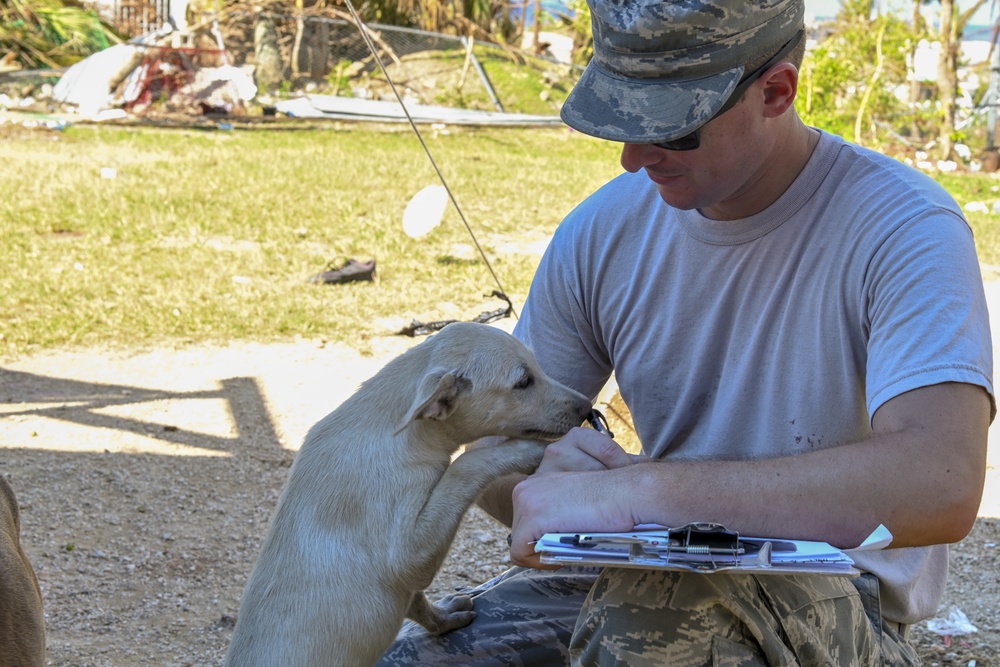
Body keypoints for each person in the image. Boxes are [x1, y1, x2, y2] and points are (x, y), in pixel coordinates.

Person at [378, 0, 995, 664]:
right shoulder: (604, 231)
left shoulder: (905, 228)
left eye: (671, 129)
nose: (632, 156)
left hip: (837, 605)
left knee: (647, 631)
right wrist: (544, 473)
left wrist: (645, 491)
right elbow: (500, 449)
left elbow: (942, 477)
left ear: (776, 91)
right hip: (632, 585)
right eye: (622, 119)